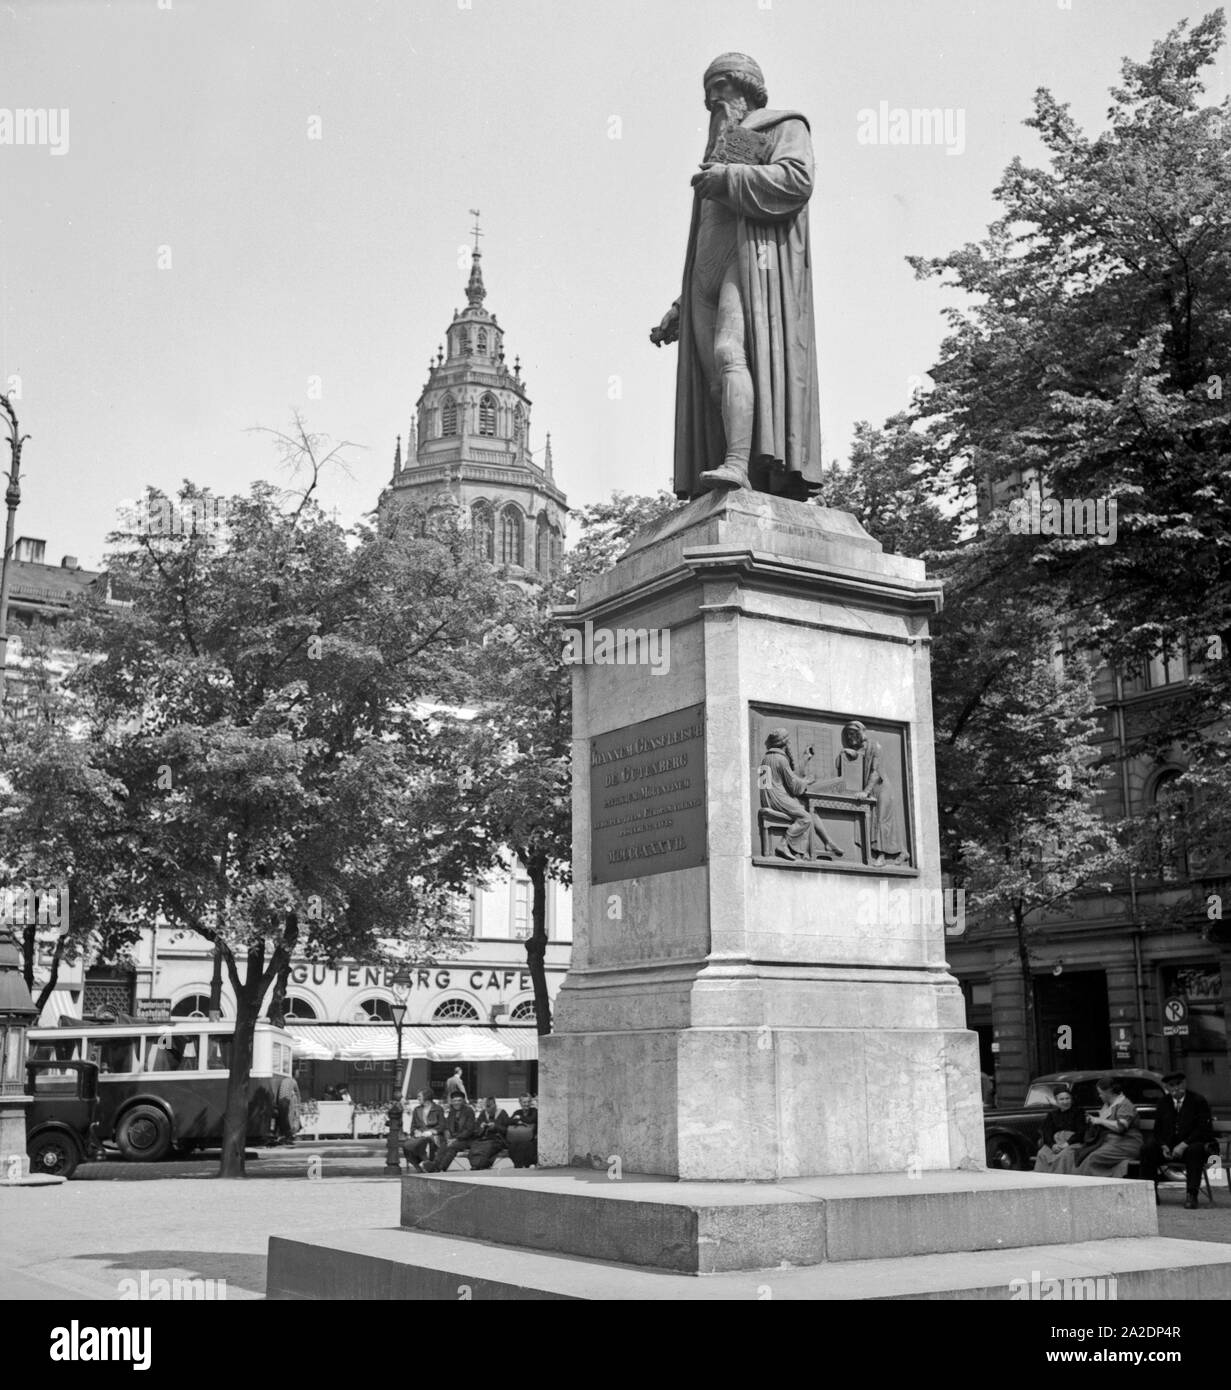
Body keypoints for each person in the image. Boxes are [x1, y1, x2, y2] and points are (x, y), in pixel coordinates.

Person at [650, 53, 822, 500]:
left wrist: (729, 176)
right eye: (708, 90)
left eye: (720, 86)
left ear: (746, 87)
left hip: (750, 267)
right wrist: (680, 305)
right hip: (703, 278)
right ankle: (734, 464)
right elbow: (707, 235)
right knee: (712, 381)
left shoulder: (786, 125)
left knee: (731, 352)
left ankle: (737, 466)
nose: (711, 98)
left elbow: (797, 180)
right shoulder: (717, 150)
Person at [758, 728, 842, 861]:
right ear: (785, 742)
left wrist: (805, 758)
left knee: (810, 811)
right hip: (777, 798)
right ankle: (784, 844)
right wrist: (806, 781)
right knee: (806, 817)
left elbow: (788, 776)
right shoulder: (781, 759)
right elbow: (794, 787)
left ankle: (827, 843)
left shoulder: (767, 758)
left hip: (769, 796)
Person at [1140, 1072, 1216, 1209]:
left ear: (1185, 1083)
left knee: (1195, 1150)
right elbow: (1157, 1131)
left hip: (1192, 1145)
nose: (1176, 1088)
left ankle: (1191, 1195)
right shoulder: (1163, 1102)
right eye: (1171, 1085)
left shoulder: (1198, 1100)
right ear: (1167, 1087)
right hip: (1169, 1149)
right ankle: (1149, 1194)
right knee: (1147, 1149)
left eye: (1179, 1084)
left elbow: (1204, 1129)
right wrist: (1163, 1146)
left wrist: (1183, 1145)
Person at [836, 721, 907, 865]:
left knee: (880, 821)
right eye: (847, 735)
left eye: (852, 734)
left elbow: (875, 773)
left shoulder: (875, 747)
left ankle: (881, 856)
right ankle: (904, 852)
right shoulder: (864, 748)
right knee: (880, 821)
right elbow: (860, 755)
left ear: (859, 733)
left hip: (882, 789)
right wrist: (848, 752)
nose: (850, 738)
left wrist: (865, 792)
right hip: (872, 790)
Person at [1054, 1076, 1142, 1177]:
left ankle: (1099, 1185)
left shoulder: (1125, 1105)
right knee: (1081, 1155)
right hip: (1108, 1142)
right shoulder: (1107, 1105)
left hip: (1125, 1143)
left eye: (1100, 1093)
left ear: (1108, 1092)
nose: (1099, 1096)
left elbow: (1120, 1127)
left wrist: (1100, 1121)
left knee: (1093, 1158)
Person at [423, 1092, 476, 1172]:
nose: (456, 1103)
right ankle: (435, 1165)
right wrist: (448, 1138)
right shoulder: (452, 1112)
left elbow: (469, 1130)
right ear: (451, 1101)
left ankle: (440, 1167)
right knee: (444, 1145)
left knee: (452, 1147)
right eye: (454, 1101)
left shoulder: (469, 1111)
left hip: (466, 1139)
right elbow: (447, 1126)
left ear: (463, 1101)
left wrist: (456, 1139)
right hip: (453, 1138)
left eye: (459, 1100)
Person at [1033, 1086, 1079, 1174]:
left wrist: (1067, 1144)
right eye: (1062, 1099)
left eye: (1067, 1098)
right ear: (1056, 1101)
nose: (1065, 1102)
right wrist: (1052, 1145)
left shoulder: (1079, 1113)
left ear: (1071, 1099)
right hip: (1056, 1143)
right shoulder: (1052, 1115)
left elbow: (1081, 1132)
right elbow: (1046, 1132)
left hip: (1073, 1143)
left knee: (1063, 1156)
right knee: (1042, 1153)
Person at [403, 1088, 446, 1173]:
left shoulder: (438, 1109)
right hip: (420, 1135)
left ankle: (428, 1163)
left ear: (426, 1097)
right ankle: (420, 1165)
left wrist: (431, 1132)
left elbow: (442, 1125)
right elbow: (413, 1126)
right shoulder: (417, 1109)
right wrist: (415, 1131)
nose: (417, 1098)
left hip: (434, 1136)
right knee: (406, 1145)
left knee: (425, 1141)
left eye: (419, 1096)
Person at [466, 1097, 510, 1171]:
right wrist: (481, 1127)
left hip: (498, 1139)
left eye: (490, 1106)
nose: (488, 1109)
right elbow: (476, 1130)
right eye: (487, 1106)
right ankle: (476, 1164)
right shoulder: (483, 1113)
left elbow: (506, 1130)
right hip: (483, 1138)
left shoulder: (502, 1113)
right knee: (474, 1146)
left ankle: (480, 1164)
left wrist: (495, 1126)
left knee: (487, 1148)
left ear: (495, 1105)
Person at [506, 1094, 539, 1169]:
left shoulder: (534, 1111)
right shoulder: (517, 1112)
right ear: (520, 1103)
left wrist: (520, 1118)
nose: (526, 1104)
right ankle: (518, 1166)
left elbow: (531, 1120)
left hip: (531, 1138)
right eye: (524, 1102)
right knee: (513, 1146)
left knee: (526, 1146)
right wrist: (517, 1122)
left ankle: (525, 1165)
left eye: (528, 1102)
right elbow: (509, 1121)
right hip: (518, 1137)